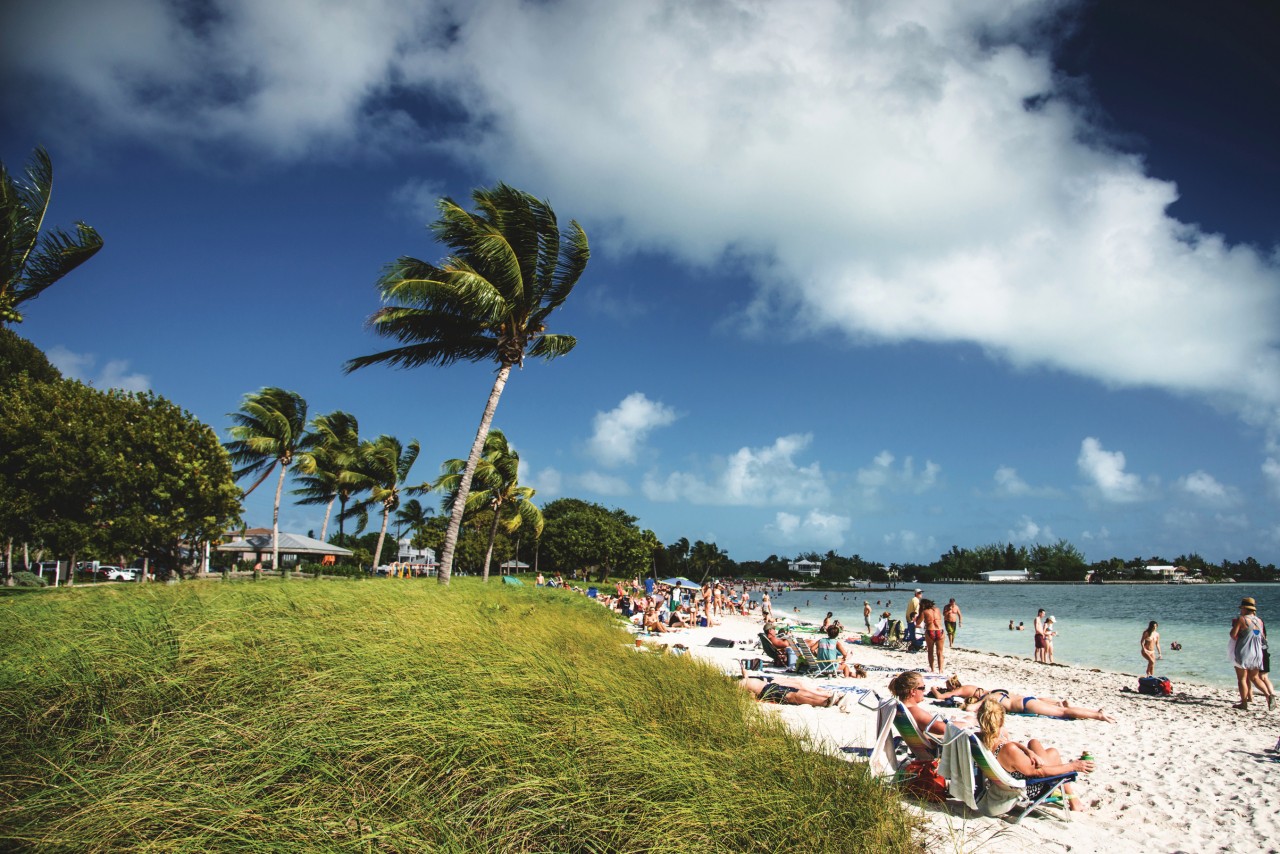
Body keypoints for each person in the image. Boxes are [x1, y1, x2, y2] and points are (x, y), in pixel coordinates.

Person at [975, 698, 1092, 813]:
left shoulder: (977, 740)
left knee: (1037, 744)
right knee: (1054, 754)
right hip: (1025, 789)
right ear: (1001, 720)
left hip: (1001, 785)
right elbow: (1039, 772)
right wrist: (1074, 766)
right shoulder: (1008, 749)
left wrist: (1027, 751)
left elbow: (1005, 744)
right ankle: (1074, 800)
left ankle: (1073, 800)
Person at [934, 685, 1115, 722]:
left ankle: (1098, 715)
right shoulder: (996, 692)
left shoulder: (989, 699)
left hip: (1025, 706)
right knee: (1061, 709)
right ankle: (1095, 712)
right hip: (1028, 700)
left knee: (1063, 713)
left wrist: (967, 706)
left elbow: (972, 708)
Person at [1230, 597, 1274, 711]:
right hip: (1258, 653)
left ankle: (1244, 703)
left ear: (1244, 608)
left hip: (1244, 652)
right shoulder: (1259, 621)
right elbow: (1262, 636)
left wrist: (1240, 634)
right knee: (1255, 678)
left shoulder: (1242, 619)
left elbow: (1233, 635)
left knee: (1242, 679)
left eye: (1242, 608)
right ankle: (1269, 696)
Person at [736, 662, 845, 708]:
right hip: (765, 691)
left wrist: (744, 673)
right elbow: (747, 696)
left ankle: (828, 697)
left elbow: (746, 683)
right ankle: (825, 702)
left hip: (767, 687)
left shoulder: (740, 682)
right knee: (792, 696)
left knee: (797, 692)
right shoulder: (736, 687)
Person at [916, 598, 945, 674]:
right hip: (940, 631)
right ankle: (940, 670)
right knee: (940, 652)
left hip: (930, 631)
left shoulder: (924, 611)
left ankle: (932, 669)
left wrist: (920, 611)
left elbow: (918, 622)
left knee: (930, 651)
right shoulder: (937, 609)